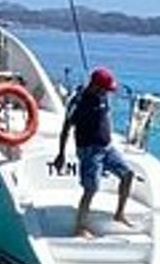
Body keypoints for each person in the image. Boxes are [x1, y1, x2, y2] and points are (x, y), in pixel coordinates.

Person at [51, 66, 136, 238]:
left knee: (128, 174)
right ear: (96, 86)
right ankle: (80, 227)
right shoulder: (80, 102)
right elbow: (66, 128)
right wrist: (61, 154)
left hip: (107, 147)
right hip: (89, 150)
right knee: (91, 188)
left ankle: (119, 213)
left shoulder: (102, 95)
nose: (108, 93)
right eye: (105, 89)